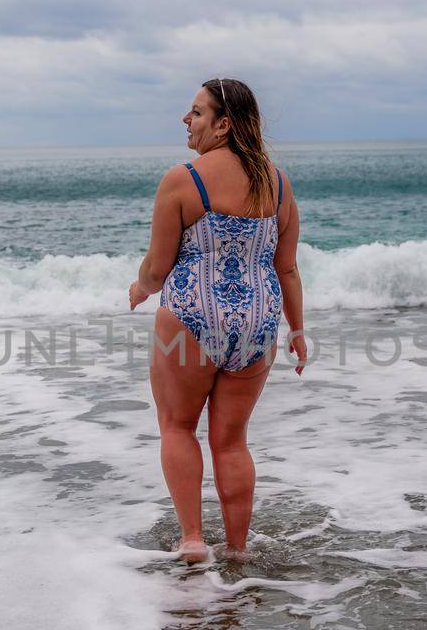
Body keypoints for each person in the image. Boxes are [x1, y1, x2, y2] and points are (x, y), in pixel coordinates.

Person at [128, 77, 307, 564]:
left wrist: (141, 288)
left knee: (178, 426)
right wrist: (298, 330)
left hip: (192, 314)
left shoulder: (183, 179)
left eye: (197, 112)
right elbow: (286, 267)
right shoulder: (278, 181)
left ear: (224, 124)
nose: (186, 120)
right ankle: (237, 548)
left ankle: (191, 540)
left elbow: (158, 266)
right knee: (231, 441)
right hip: (257, 323)